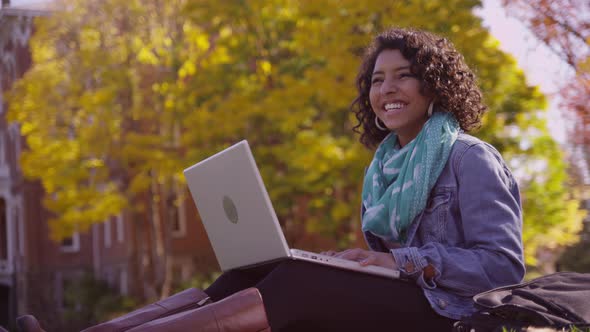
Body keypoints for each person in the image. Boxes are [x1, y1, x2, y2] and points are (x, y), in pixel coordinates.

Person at [203, 27, 525, 331]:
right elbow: (384, 266)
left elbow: (502, 267)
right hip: (406, 301)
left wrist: (398, 262)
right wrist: (344, 263)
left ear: (435, 85)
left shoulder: (469, 158)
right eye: (377, 80)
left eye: (404, 76)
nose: (387, 89)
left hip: (453, 313)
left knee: (298, 281)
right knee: (246, 277)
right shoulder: (381, 169)